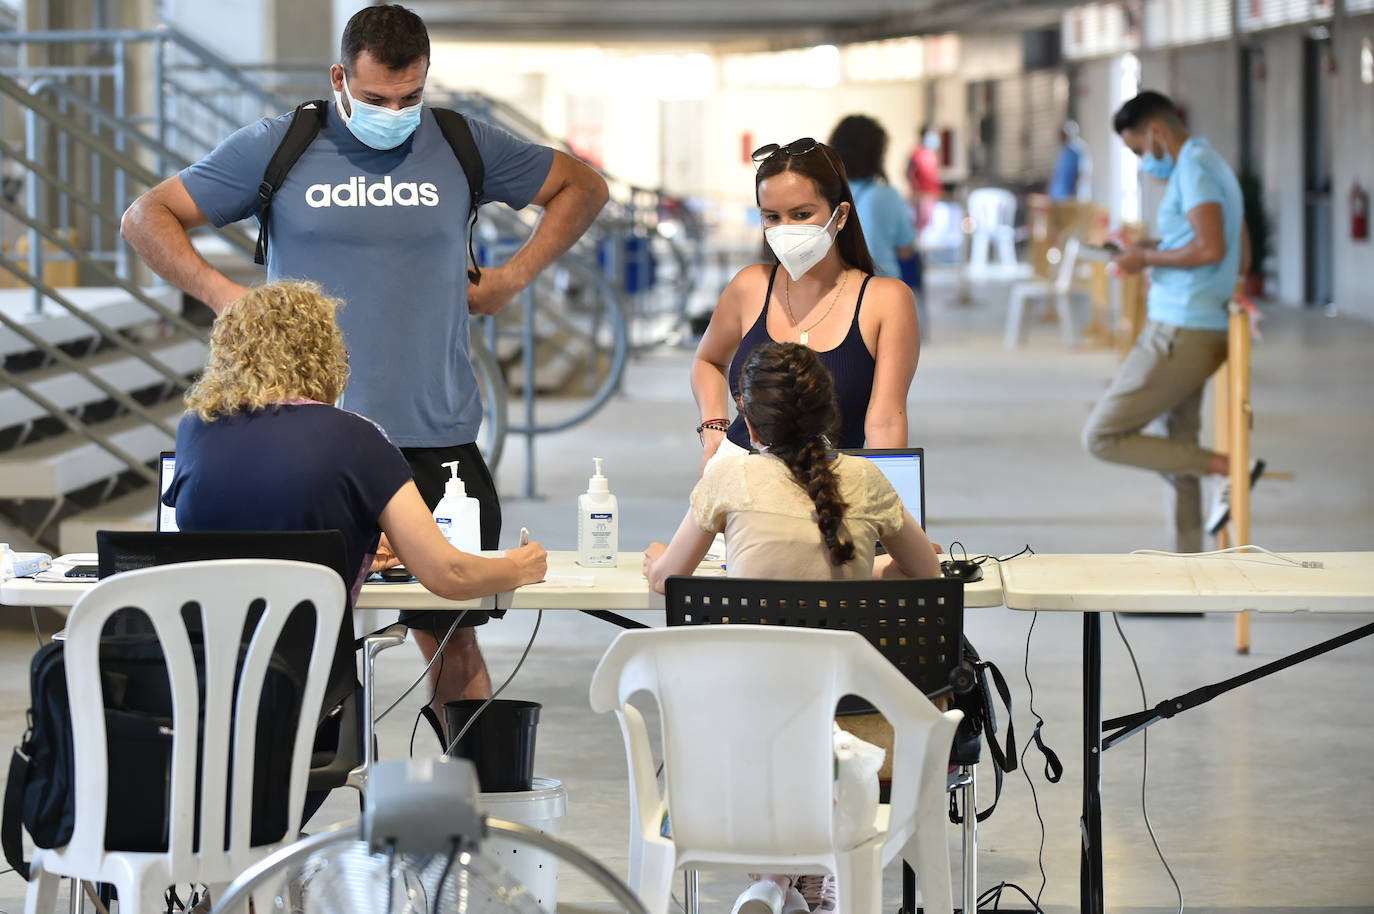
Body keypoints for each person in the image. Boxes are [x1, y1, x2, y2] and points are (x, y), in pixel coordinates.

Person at [121, 5, 606, 727]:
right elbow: (146, 217)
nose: (395, 113)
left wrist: (512, 278)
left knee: (452, 642)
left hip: (431, 438)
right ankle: (278, 809)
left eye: (411, 97)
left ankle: (470, 822)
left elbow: (583, 187)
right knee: (279, 637)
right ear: (340, 77)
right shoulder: (282, 145)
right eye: (377, 99)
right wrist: (227, 298)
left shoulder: (458, 143)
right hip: (305, 442)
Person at [643, 342, 940, 914]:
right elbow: (925, 572)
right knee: (818, 718)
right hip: (857, 723)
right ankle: (821, 872)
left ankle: (773, 879)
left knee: (766, 708)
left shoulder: (727, 480)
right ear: (830, 414)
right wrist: (870, 566)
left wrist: (658, 559)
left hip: (741, 729)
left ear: (748, 420)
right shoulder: (866, 479)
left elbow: (668, 580)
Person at [164, 280, 548, 717]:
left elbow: (239, 537)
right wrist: (517, 567)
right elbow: (448, 573)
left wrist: (357, 549)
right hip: (303, 699)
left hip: (192, 690)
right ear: (325, 356)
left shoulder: (196, 430)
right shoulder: (357, 437)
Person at [1082, 90, 1261, 552]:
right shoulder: (1213, 164)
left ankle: (1229, 466)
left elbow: (1211, 249)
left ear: (1157, 131)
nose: (1144, 161)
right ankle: (1187, 570)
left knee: (1102, 435)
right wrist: (1151, 253)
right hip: (1198, 322)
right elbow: (1237, 252)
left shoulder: (1194, 168)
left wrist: (1146, 258)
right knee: (1176, 440)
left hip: (1181, 329)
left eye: (1139, 149)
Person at [692, 138, 919, 471]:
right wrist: (714, 426)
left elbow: (885, 420)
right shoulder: (750, 287)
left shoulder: (885, 301)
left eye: (801, 214)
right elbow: (707, 360)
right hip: (739, 481)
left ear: (840, 215)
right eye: (772, 216)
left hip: (833, 494)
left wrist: (891, 503)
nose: (785, 229)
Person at [827, 115, 917, 282]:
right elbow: (906, 250)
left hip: (840, 288)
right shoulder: (888, 195)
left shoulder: (826, 192)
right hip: (883, 287)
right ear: (878, 153)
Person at [905, 125, 943, 233]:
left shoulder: (932, 154)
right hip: (921, 196)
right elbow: (908, 173)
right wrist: (916, 191)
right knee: (921, 226)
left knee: (931, 228)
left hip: (933, 195)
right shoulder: (916, 154)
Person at [1048, 119, 1092, 203]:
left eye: (1062, 135)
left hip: (1072, 199)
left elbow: (1082, 174)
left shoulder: (1079, 150)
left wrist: (1075, 193)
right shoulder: (1063, 151)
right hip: (1058, 198)